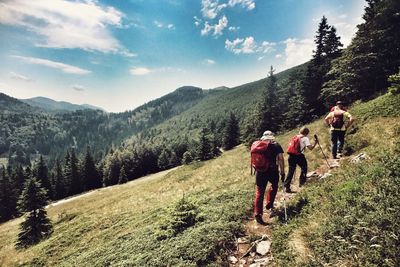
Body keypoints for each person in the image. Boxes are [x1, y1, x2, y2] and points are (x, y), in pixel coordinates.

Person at [253, 130, 285, 225]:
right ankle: (269, 204)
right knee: (274, 186)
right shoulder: (276, 145)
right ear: (272, 137)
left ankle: (257, 213)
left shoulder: (258, 145)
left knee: (260, 191)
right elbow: (281, 159)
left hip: (260, 171)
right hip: (272, 170)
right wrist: (282, 172)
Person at [284, 127, 317, 193]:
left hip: (291, 156)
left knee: (291, 171)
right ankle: (302, 183)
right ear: (307, 133)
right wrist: (315, 143)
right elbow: (310, 148)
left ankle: (287, 187)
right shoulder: (305, 138)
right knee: (304, 168)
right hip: (299, 156)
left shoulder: (295, 137)